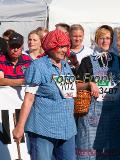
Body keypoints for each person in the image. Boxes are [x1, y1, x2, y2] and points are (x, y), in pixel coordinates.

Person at [12, 30, 77, 160]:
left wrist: (88, 85)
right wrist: (19, 126)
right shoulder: (37, 66)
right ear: (51, 46)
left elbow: (70, 90)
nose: (64, 50)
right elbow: (29, 99)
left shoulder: (66, 65)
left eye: (65, 46)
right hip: (43, 129)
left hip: (67, 128)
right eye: (60, 46)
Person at [75, 25, 120, 160]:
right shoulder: (87, 61)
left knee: (116, 152)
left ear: (112, 40)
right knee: (91, 152)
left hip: (116, 113)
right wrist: (89, 84)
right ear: (96, 40)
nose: (105, 41)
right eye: (102, 38)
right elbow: (76, 85)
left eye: (108, 38)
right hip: (93, 114)